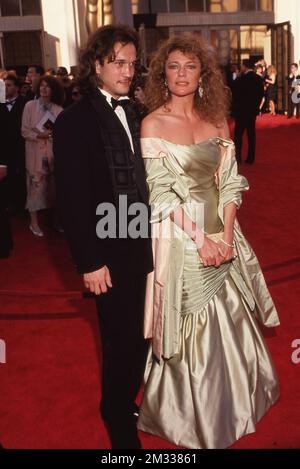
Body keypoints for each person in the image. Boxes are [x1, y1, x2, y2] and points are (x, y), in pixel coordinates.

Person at [137, 34, 280, 449]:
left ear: (203, 74)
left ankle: (235, 401)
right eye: (174, 67)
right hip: (181, 235)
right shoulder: (153, 123)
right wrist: (201, 241)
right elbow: (160, 192)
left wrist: (228, 235)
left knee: (232, 315)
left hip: (223, 229)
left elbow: (230, 181)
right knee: (191, 324)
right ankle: (191, 415)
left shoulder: (217, 119)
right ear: (163, 74)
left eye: (190, 66)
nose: (182, 74)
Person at [53, 25, 153, 449]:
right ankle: (116, 414)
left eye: (132, 63)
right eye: (118, 62)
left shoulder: (138, 112)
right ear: (96, 65)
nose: (127, 71)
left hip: (148, 244)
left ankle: (126, 399)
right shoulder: (74, 121)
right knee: (121, 341)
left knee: (147, 336)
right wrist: (89, 261)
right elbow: (72, 199)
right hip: (108, 253)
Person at [22, 75, 64, 236]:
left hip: (52, 155)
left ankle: (55, 222)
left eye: (47, 86)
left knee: (53, 190)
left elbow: (61, 134)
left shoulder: (58, 109)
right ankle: (33, 223)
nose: (44, 89)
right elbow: (24, 131)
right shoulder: (30, 106)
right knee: (34, 189)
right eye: (41, 86)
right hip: (34, 155)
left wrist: (51, 135)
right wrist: (40, 135)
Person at [0, 74, 27, 215]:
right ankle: (7, 204)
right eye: (4, 85)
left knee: (21, 176)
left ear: (17, 87)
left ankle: (22, 206)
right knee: (5, 178)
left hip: (20, 147)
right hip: (3, 149)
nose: (5, 88)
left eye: (9, 85)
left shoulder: (25, 103)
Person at [232, 59, 264, 164]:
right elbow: (261, 95)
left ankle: (238, 157)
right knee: (251, 135)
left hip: (241, 111)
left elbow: (234, 93)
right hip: (251, 111)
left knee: (238, 135)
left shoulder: (240, 79)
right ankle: (251, 158)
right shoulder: (258, 79)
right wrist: (256, 107)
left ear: (244, 66)